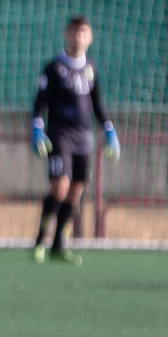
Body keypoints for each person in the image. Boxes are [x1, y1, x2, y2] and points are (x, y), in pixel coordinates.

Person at [30, 15, 120, 265]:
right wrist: (37, 129)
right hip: (60, 135)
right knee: (60, 187)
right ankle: (40, 240)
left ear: (90, 37)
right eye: (74, 32)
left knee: (76, 192)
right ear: (67, 35)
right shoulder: (54, 67)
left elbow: (97, 104)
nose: (78, 37)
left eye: (83, 32)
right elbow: (39, 104)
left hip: (84, 138)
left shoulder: (90, 67)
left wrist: (110, 131)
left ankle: (59, 244)